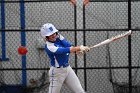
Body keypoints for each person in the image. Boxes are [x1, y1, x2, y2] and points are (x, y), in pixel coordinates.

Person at [40, 23, 90, 93]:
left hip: (67, 69)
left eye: (54, 33)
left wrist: (77, 51)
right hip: (57, 73)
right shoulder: (49, 47)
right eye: (50, 35)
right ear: (46, 37)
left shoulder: (58, 36)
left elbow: (67, 45)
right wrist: (79, 47)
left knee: (80, 91)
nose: (54, 35)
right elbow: (64, 50)